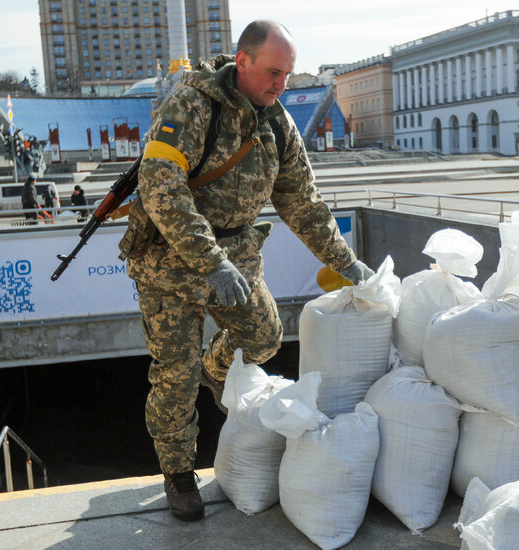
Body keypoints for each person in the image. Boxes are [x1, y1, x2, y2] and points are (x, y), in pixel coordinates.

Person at [119, 20, 373, 522]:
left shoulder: (277, 124)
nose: (281, 84)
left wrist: (345, 263)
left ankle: (217, 372)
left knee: (264, 334)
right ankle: (178, 473)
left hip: (234, 261)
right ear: (243, 62)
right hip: (169, 266)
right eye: (273, 72)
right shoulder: (190, 105)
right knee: (175, 373)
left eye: (288, 75)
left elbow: (302, 202)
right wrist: (209, 261)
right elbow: (160, 186)